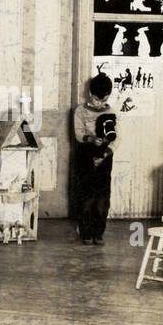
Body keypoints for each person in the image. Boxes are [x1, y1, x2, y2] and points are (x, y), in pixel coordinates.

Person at [72, 74, 117, 245]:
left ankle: (98, 233)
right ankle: (86, 232)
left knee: (102, 197)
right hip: (85, 155)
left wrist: (107, 152)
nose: (100, 103)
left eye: (103, 100)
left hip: (105, 156)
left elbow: (117, 137)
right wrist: (91, 139)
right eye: (97, 100)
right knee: (86, 196)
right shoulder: (80, 111)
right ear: (90, 93)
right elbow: (78, 134)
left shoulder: (111, 112)